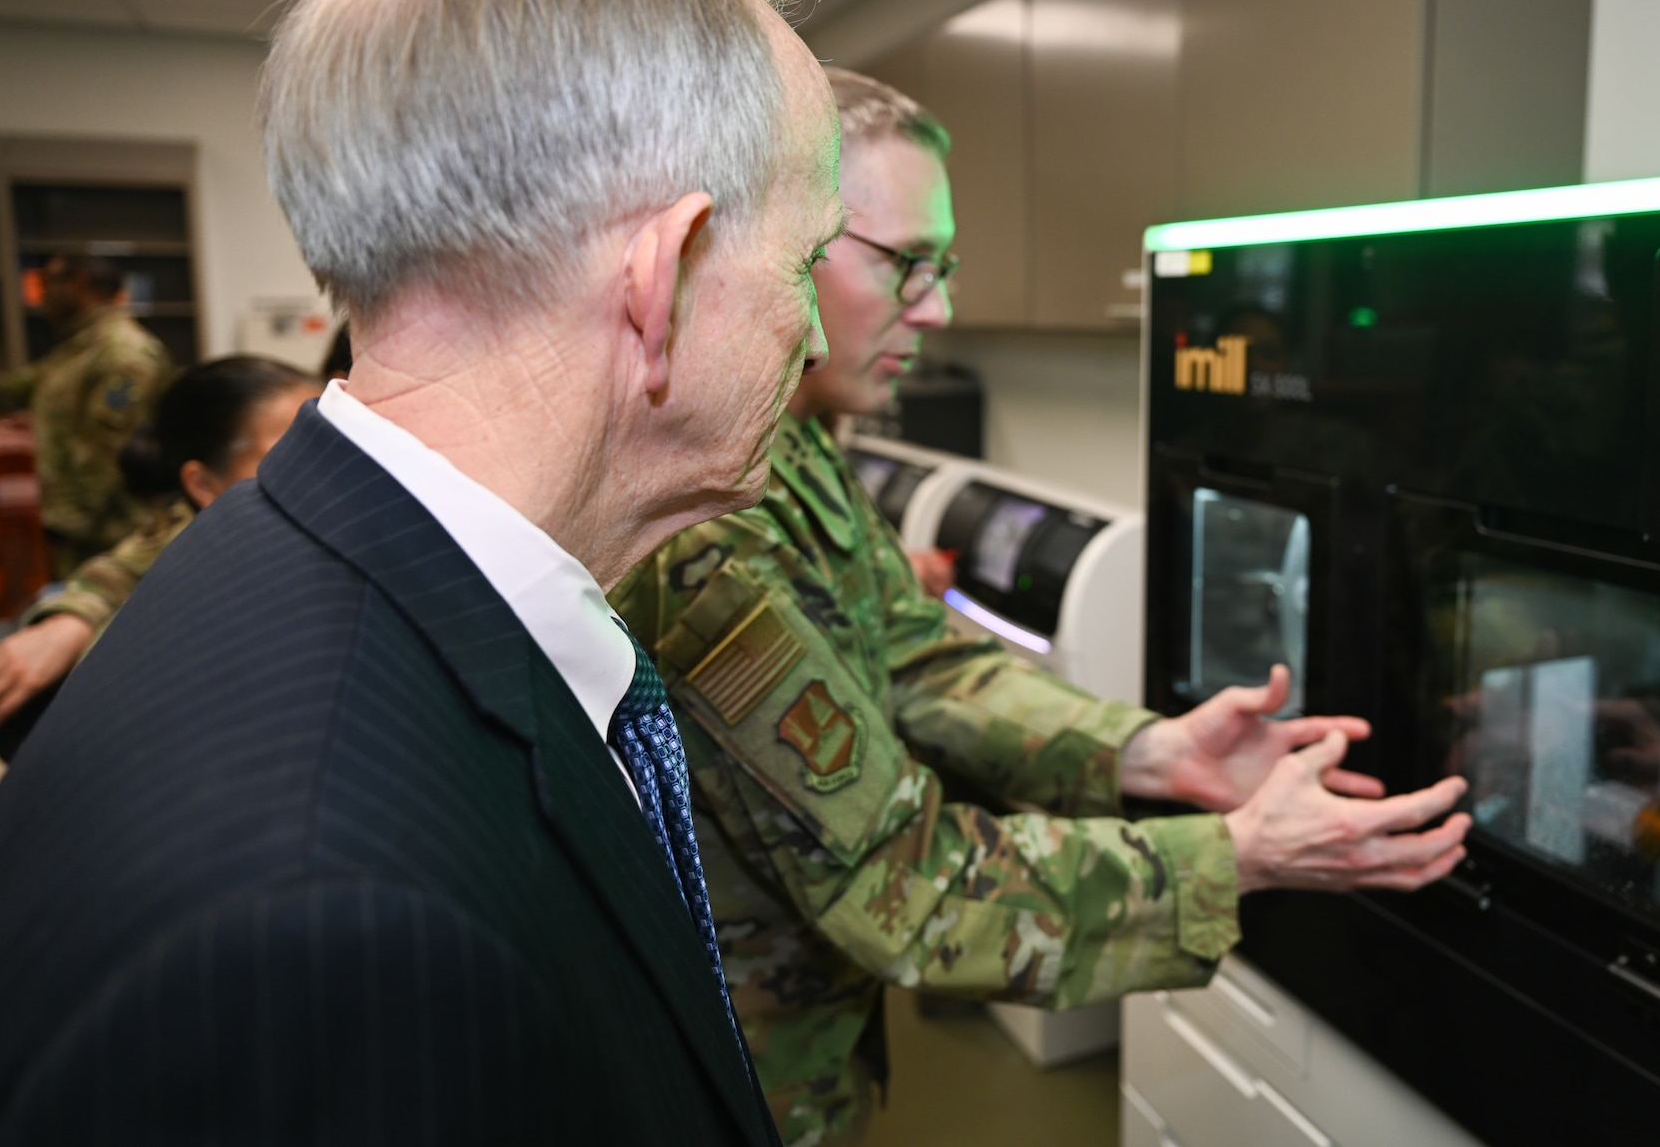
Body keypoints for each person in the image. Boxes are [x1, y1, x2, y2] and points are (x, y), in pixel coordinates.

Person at [0, 0, 839, 1146]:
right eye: (810, 259)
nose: (819, 340)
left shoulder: (281, 559)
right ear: (661, 280)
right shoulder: (333, 926)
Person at [609, 69, 1472, 1145]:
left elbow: (920, 660)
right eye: (908, 264)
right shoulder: (707, 516)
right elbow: (898, 884)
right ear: (784, 238)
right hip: (741, 1082)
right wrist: (1238, 853)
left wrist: (1151, 752)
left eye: (948, 268)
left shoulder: (795, 450)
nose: (938, 307)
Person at [0, 356, 316, 731]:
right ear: (202, 485)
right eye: (291, 454)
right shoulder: (205, 584)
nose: (327, 467)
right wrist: (72, 618)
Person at [0, 253, 173, 576]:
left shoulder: (123, 351)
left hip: (112, 534)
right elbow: (19, 387)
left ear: (79, 284)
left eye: (48, 283)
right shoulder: (77, 348)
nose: (41, 296)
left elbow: (110, 449)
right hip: (80, 531)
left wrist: (66, 524)